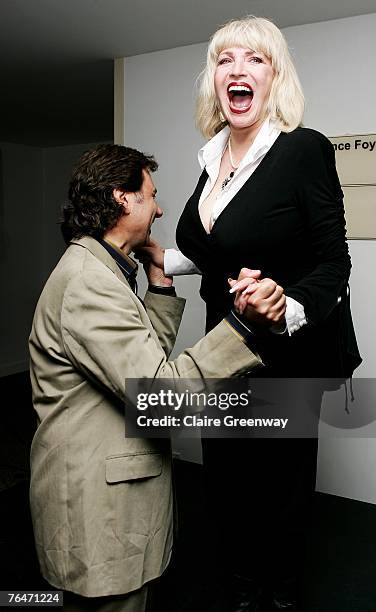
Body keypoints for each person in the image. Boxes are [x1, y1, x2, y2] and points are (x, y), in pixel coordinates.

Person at [139, 16, 362, 612]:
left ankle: (281, 594)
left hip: (289, 350)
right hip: (225, 344)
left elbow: (333, 262)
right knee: (228, 479)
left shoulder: (301, 150)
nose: (237, 69)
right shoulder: (213, 159)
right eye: (224, 59)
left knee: (279, 489)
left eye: (255, 59)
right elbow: (216, 247)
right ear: (213, 79)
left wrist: (283, 301)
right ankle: (240, 588)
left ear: (275, 76)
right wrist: (162, 256)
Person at [28, 144, 286, 612]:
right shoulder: (90, 282)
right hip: (95, 505)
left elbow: (141, 362)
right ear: (121, 198)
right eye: (150, 195)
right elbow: (160, 396)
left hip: (108, 493)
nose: (160, 207)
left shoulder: (103, 269)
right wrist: (243, 326)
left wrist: (160, 284)